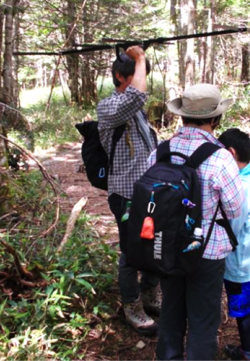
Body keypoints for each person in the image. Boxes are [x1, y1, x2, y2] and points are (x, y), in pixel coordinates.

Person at [151, 84, 245, 361]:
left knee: (171, 309)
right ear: (215, 120)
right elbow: (235, 207)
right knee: (203, 319)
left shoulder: (160, 151)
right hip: (207, 250)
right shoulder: (220, 158)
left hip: (167, 245)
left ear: (182, 116)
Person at [97, 46, 160, 335]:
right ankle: (131, 305)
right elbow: (138, 95)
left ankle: (149, 294)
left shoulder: (138, 113)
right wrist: (141, 58)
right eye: (135, 74)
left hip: (148, 193)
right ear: (121, 77)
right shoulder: (110, 108)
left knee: (152, 245)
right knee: (131, 251)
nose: (140, 79)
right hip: (125, 194)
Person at [218, 128, 250, 361]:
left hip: (240, 264)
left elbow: (232, 230)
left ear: (230, 153)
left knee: (244, 310)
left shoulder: (242, 188)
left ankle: (248, 354)